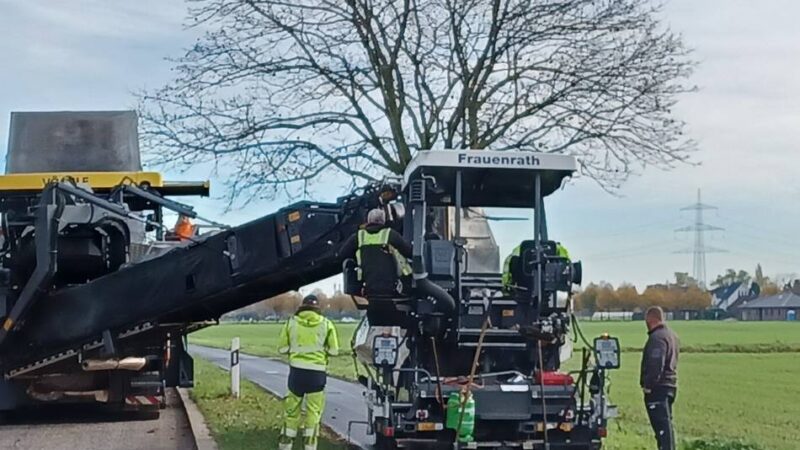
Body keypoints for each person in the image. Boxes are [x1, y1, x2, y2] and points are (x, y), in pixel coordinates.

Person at [277, 294, 339, 450]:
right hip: (317, 376)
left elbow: (282, 348)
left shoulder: (291, 323)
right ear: (318, 308)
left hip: (296, 374)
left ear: (302, 307)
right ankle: (310, 446)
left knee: (291, 411)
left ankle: (286, 445)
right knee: (313, 413)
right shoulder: (326, 324)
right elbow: (334, 351)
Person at [340, 208, 413, 296]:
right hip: (392, 288)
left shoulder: (358, 236)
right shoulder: (391, 234)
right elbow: (409, 252)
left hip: (367, 288)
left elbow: (342, 254)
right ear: (383, 220)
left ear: (368, 220)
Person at [640, 306, 680, 450]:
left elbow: (656, 364)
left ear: (650, 319)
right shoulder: (672, 336)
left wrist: (648, 386)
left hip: (658, 388)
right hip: (670, 386)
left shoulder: (657, 338)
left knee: (662, 430)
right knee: (667, 426)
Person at [502, 241, 569, 290]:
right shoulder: (559, 249)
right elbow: (566, 266)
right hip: (550, 287)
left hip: (522, 287)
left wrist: (506, 287)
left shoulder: (518, 249)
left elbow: (508, 267)